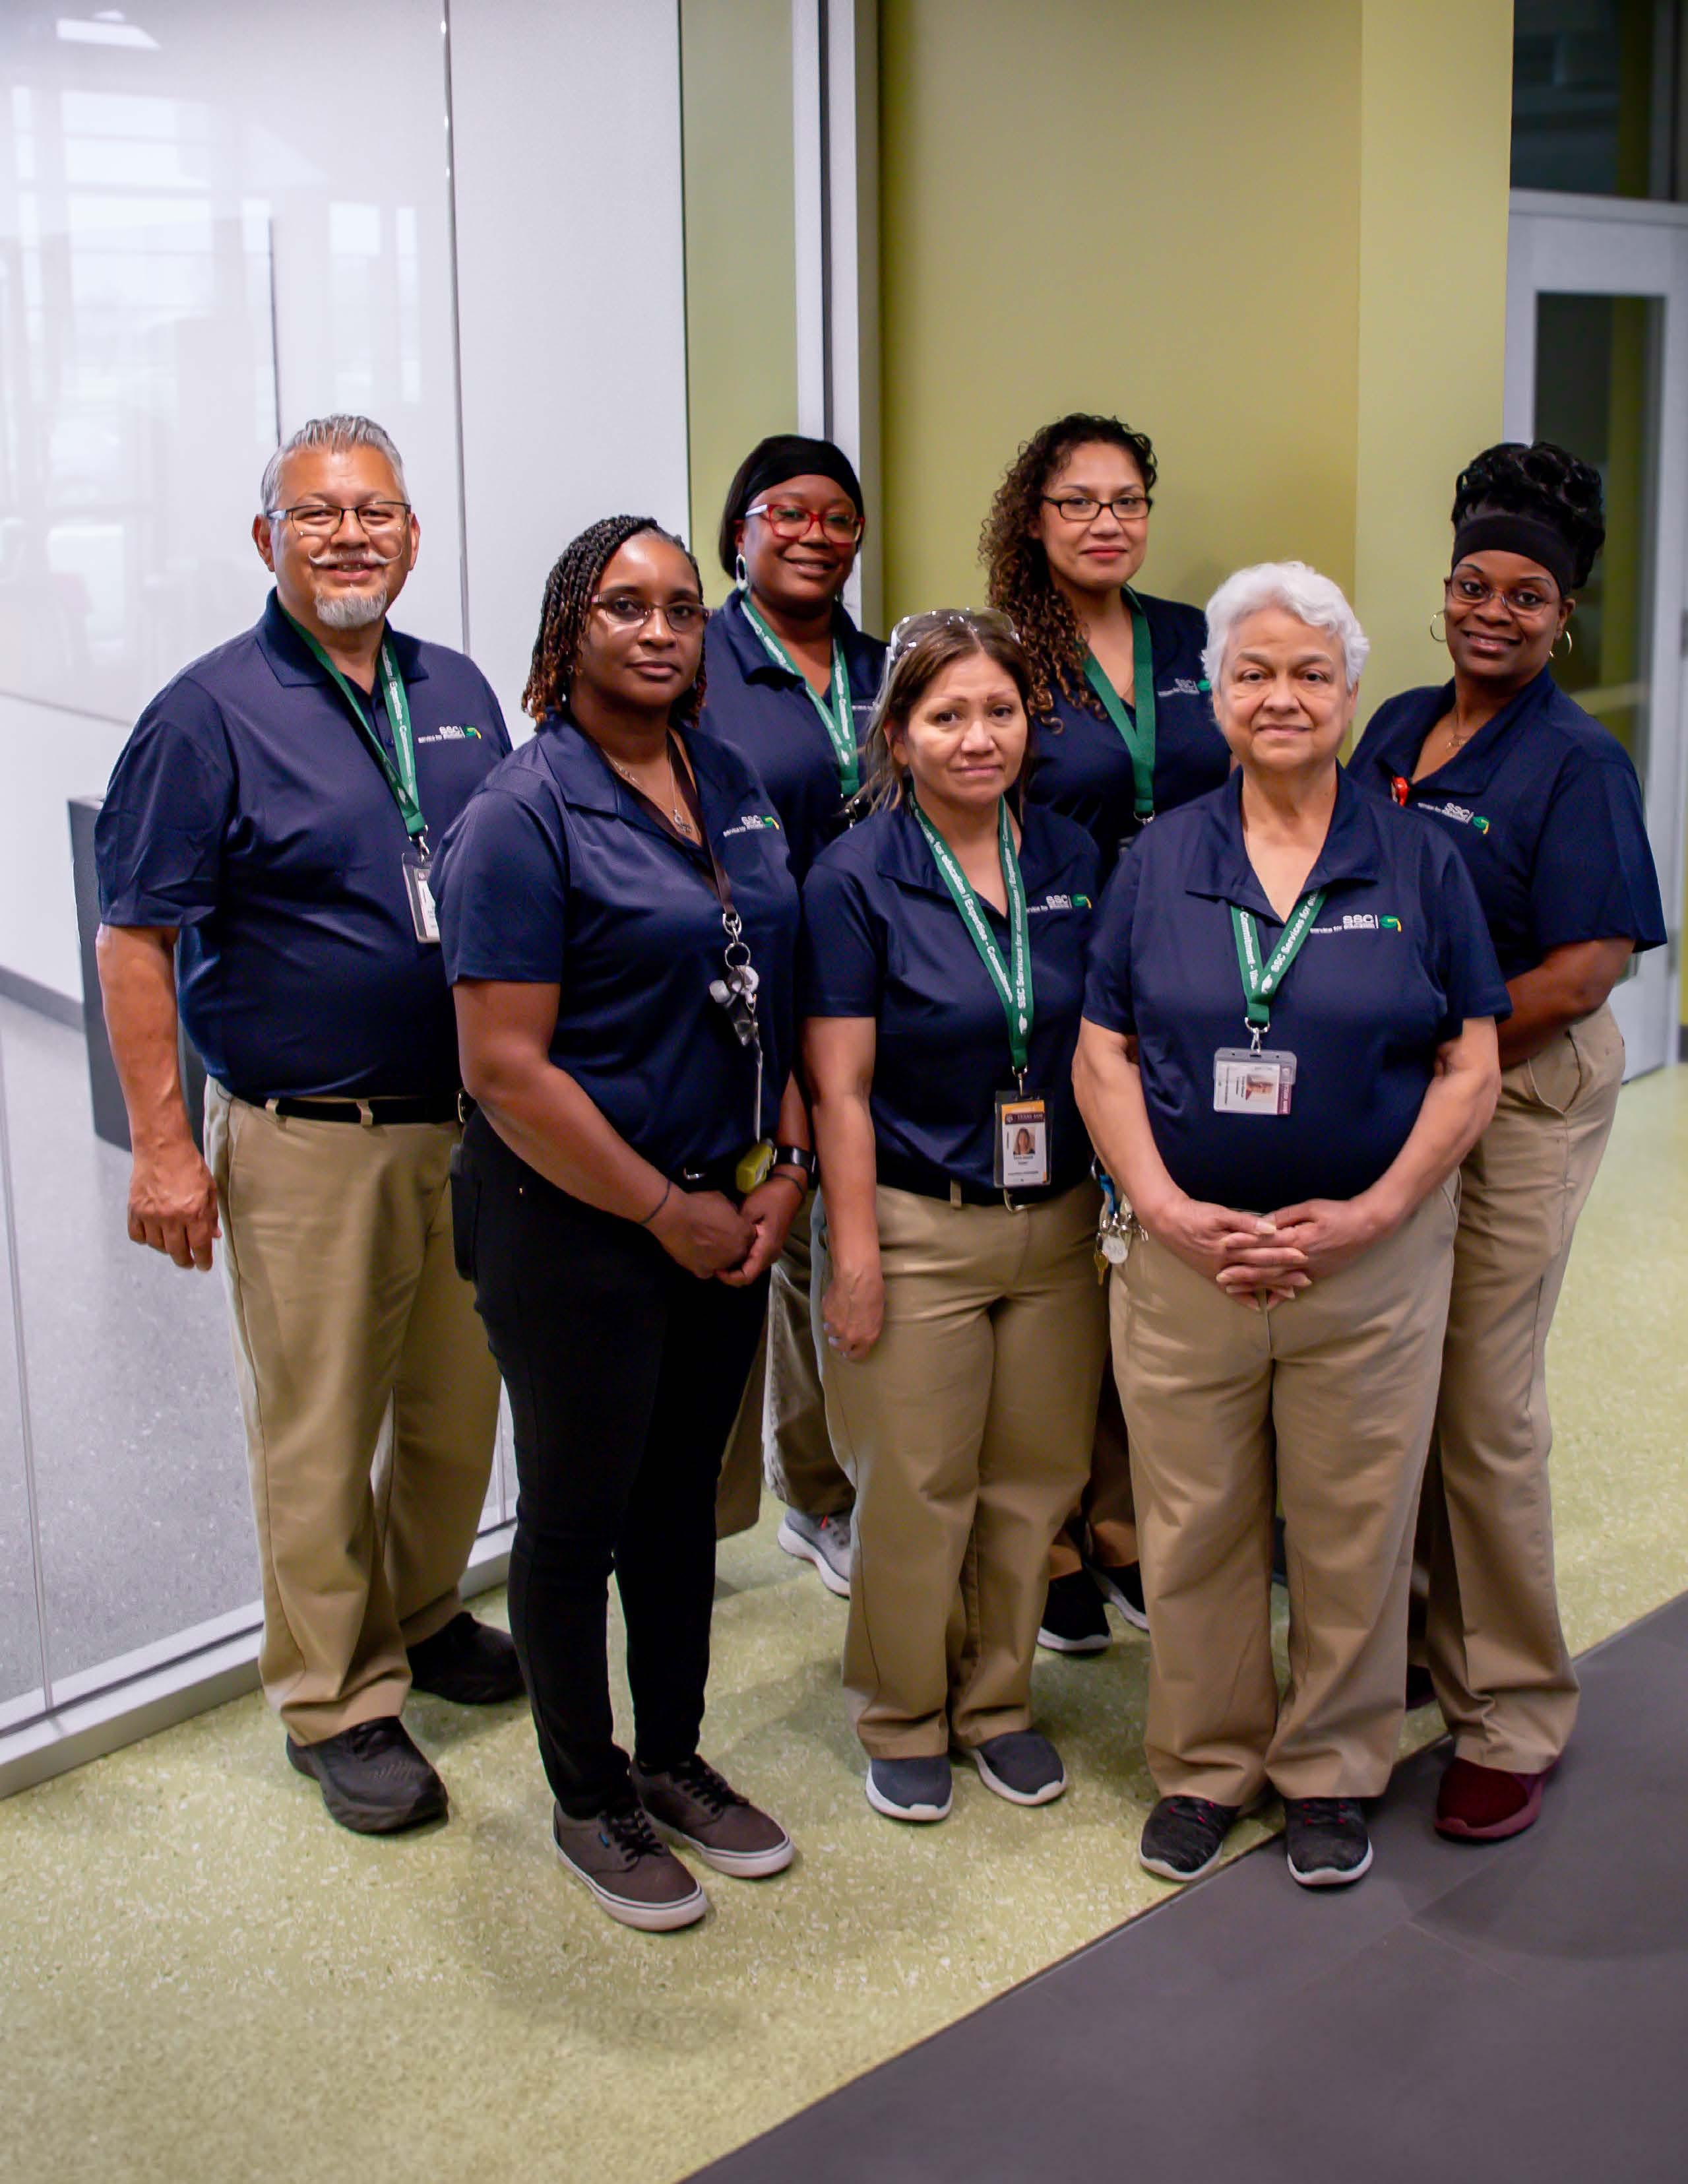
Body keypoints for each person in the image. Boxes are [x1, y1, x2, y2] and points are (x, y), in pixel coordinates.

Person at [93, 414, 520, 1836]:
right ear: (265, 537)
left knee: (455, 1407)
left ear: (413, 533)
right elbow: (135, 939)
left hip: (468, 1124)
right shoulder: (206, 713)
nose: (351, 536)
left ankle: (423, 1608)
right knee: (319, 1424)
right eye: (318, 513)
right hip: (307, 1133)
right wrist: (165, 1146)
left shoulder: (454, 689)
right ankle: (335, 1696)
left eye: (376, 512)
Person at [1075, 562, 1509, 1890]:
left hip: (1367, 1266)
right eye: (1253, 673)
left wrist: (1376, 1210)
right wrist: (1163, 1207)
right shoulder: (1158, 857)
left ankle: (1329, 1767)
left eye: (1310, 673)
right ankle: (1206, 1763)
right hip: (1184, 1259)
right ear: (1214, 695)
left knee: (1351, 1520)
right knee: (1193, 1518)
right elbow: (1100, 1053)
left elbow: (1471, 1062)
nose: (1281, 696)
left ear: (1349, 694)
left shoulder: (1420, 859)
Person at [433, 514, 807, 1933]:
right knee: (577, 1515)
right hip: (577, 1222)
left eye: (681, 608)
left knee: (676, 1503)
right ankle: (589, 1796)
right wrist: (662, 1208)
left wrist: (782, 1171)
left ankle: (671, 1755)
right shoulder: (521, 814)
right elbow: (503, 1068)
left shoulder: (729, 780)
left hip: (724, 1206)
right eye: (624, 606)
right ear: (567, 630)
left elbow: (774, 984)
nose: (659, 630)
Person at [1350, 443, 1666, 1844]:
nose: (1492, 612)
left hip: (1520, 1089)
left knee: (1482, 1402)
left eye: (1524, 595)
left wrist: (1445, 1044)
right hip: (1405, 1084)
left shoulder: (1575, 762)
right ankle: (1435, 1638)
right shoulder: (1396, 725)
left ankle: (1513, 1708)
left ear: (1562, 616)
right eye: (1471, 584)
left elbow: (1589, 967)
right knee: (1398, 1377)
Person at [803, 609, 1107, 1824]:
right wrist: (856, 1256)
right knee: (918, 1486)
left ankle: (997, 1703)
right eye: (947, 715)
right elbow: (839, 1087)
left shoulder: (1075, 857)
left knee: (1035, 1479)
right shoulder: (855, 877)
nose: (979, 737)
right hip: (917, 1218)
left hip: (1059, 1218)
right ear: (898, 734)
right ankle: (903, 1711)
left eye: (1000, 711)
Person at [983, 411, 1231, 1654]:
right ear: (1034, 518)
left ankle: (1130, 1522)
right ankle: (1055, 1538)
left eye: (1126, 500)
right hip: (1058, 974)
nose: (1105, 522)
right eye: (1077, 501)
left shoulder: (1194, 638)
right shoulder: (1004, 652)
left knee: (1154, 1258)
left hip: (1191, 976)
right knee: (1070, 1258)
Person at [695, 434, 885, 1591]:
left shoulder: (885, 665)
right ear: (741, 532)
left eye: (839, 518)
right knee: (783, 1241)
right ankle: (809, 1492)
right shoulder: (700, 663)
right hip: (750, 1004)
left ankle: (844, 1475)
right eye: (789, 513)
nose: (816, 535)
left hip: (880, 994)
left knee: (850, 1238)